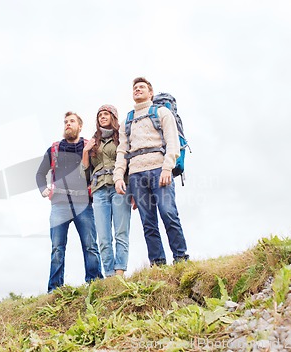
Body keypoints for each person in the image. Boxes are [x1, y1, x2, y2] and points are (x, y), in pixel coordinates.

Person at [113, 77, 189, 266]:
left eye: (142, 87)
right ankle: (157, 263)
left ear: (150, 93)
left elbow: (172, 142)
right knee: (148, 222)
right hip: (136, 176)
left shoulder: (162, 112)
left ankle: (180, 258)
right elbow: (122, 151)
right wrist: (118, 177)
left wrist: (167, 168)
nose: (137, 90)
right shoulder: (126, 121)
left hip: (159, 170)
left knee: (168, 213)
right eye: (135, 88)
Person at [36, 111, 103, 293]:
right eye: (65, 121)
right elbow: (40, 174)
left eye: (72, 121)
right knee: (57, 248)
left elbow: (98, 170)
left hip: (83, 203)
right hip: (59, 204)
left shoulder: (89, 146)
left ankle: (95, 284)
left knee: (90, 245)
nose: (68, 124)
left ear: (80, 126)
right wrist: (44, 190)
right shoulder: (54, 149)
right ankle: (55, 290)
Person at [82, 104, 132, 277]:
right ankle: (110, 275)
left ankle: (120, 273)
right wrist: (85, 151)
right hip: (99, 190)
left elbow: (129, 165)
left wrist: (133, 191)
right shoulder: (93, 141)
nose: (102, 117)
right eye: (99, 115)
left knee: (121, 232)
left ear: (113, 117)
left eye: (106, 114)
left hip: (120, 187)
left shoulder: (122, 137)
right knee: (103, 237)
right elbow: (84, 173)